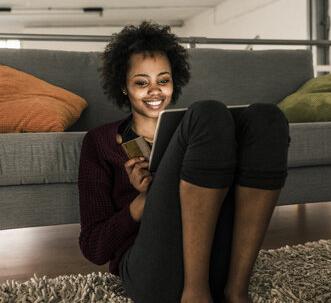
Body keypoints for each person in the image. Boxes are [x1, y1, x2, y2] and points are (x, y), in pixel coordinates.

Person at [78, 21, 290, 303]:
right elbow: (94, 248)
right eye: (142, 83)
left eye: (163, 80)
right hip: (152, 274)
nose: (155, 91)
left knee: (268, 117)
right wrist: (139, 204)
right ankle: (195, 293)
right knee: (207, 112)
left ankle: (236, 291)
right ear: (124, 87)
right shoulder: (100, 142)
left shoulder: (199, 134)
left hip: (215, 259)